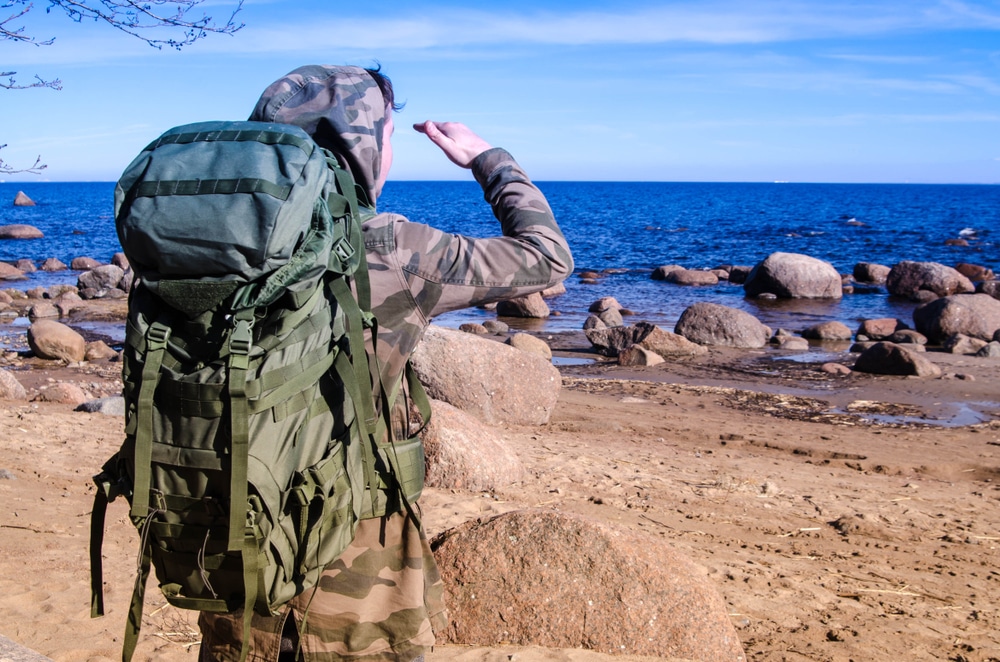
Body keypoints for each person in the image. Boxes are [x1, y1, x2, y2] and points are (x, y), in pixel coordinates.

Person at [197, 64, 574, 662]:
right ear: (365, 145)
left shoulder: (205, 244)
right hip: (350, 569)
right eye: (388, 135)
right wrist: (488, 159)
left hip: (230, 546)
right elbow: (546, 257)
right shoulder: (391, 249)